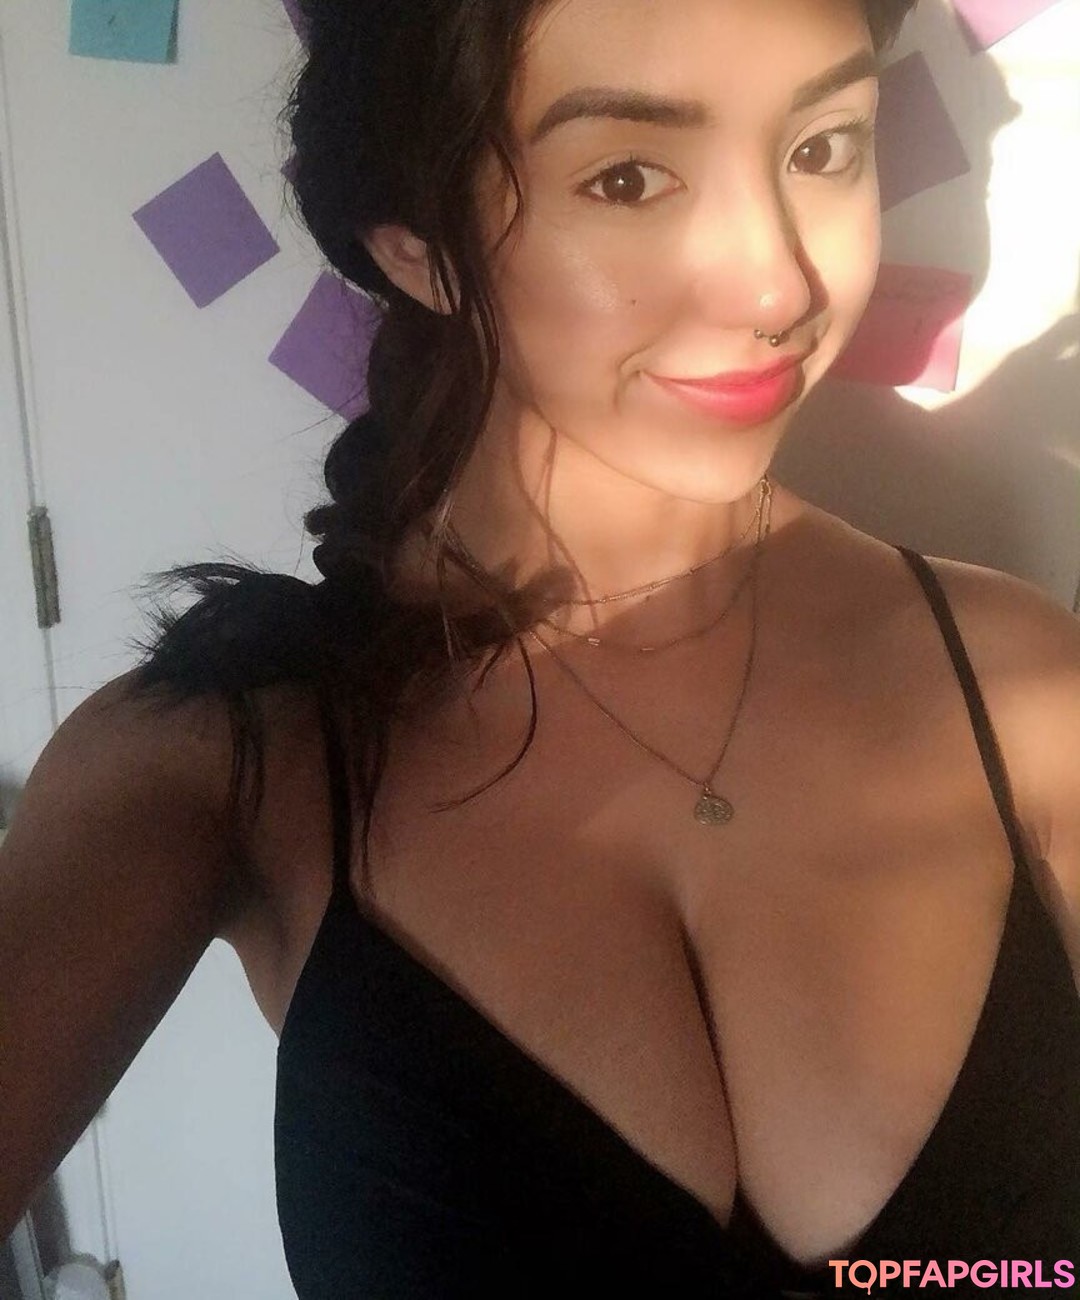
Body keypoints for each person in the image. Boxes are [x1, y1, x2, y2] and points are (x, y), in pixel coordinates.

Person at [3, 0, 1079, 1295]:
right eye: (628, 178)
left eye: (822, 149)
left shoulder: (1026, 684)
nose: (781, 285)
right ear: (418, 243)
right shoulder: (230, 765)